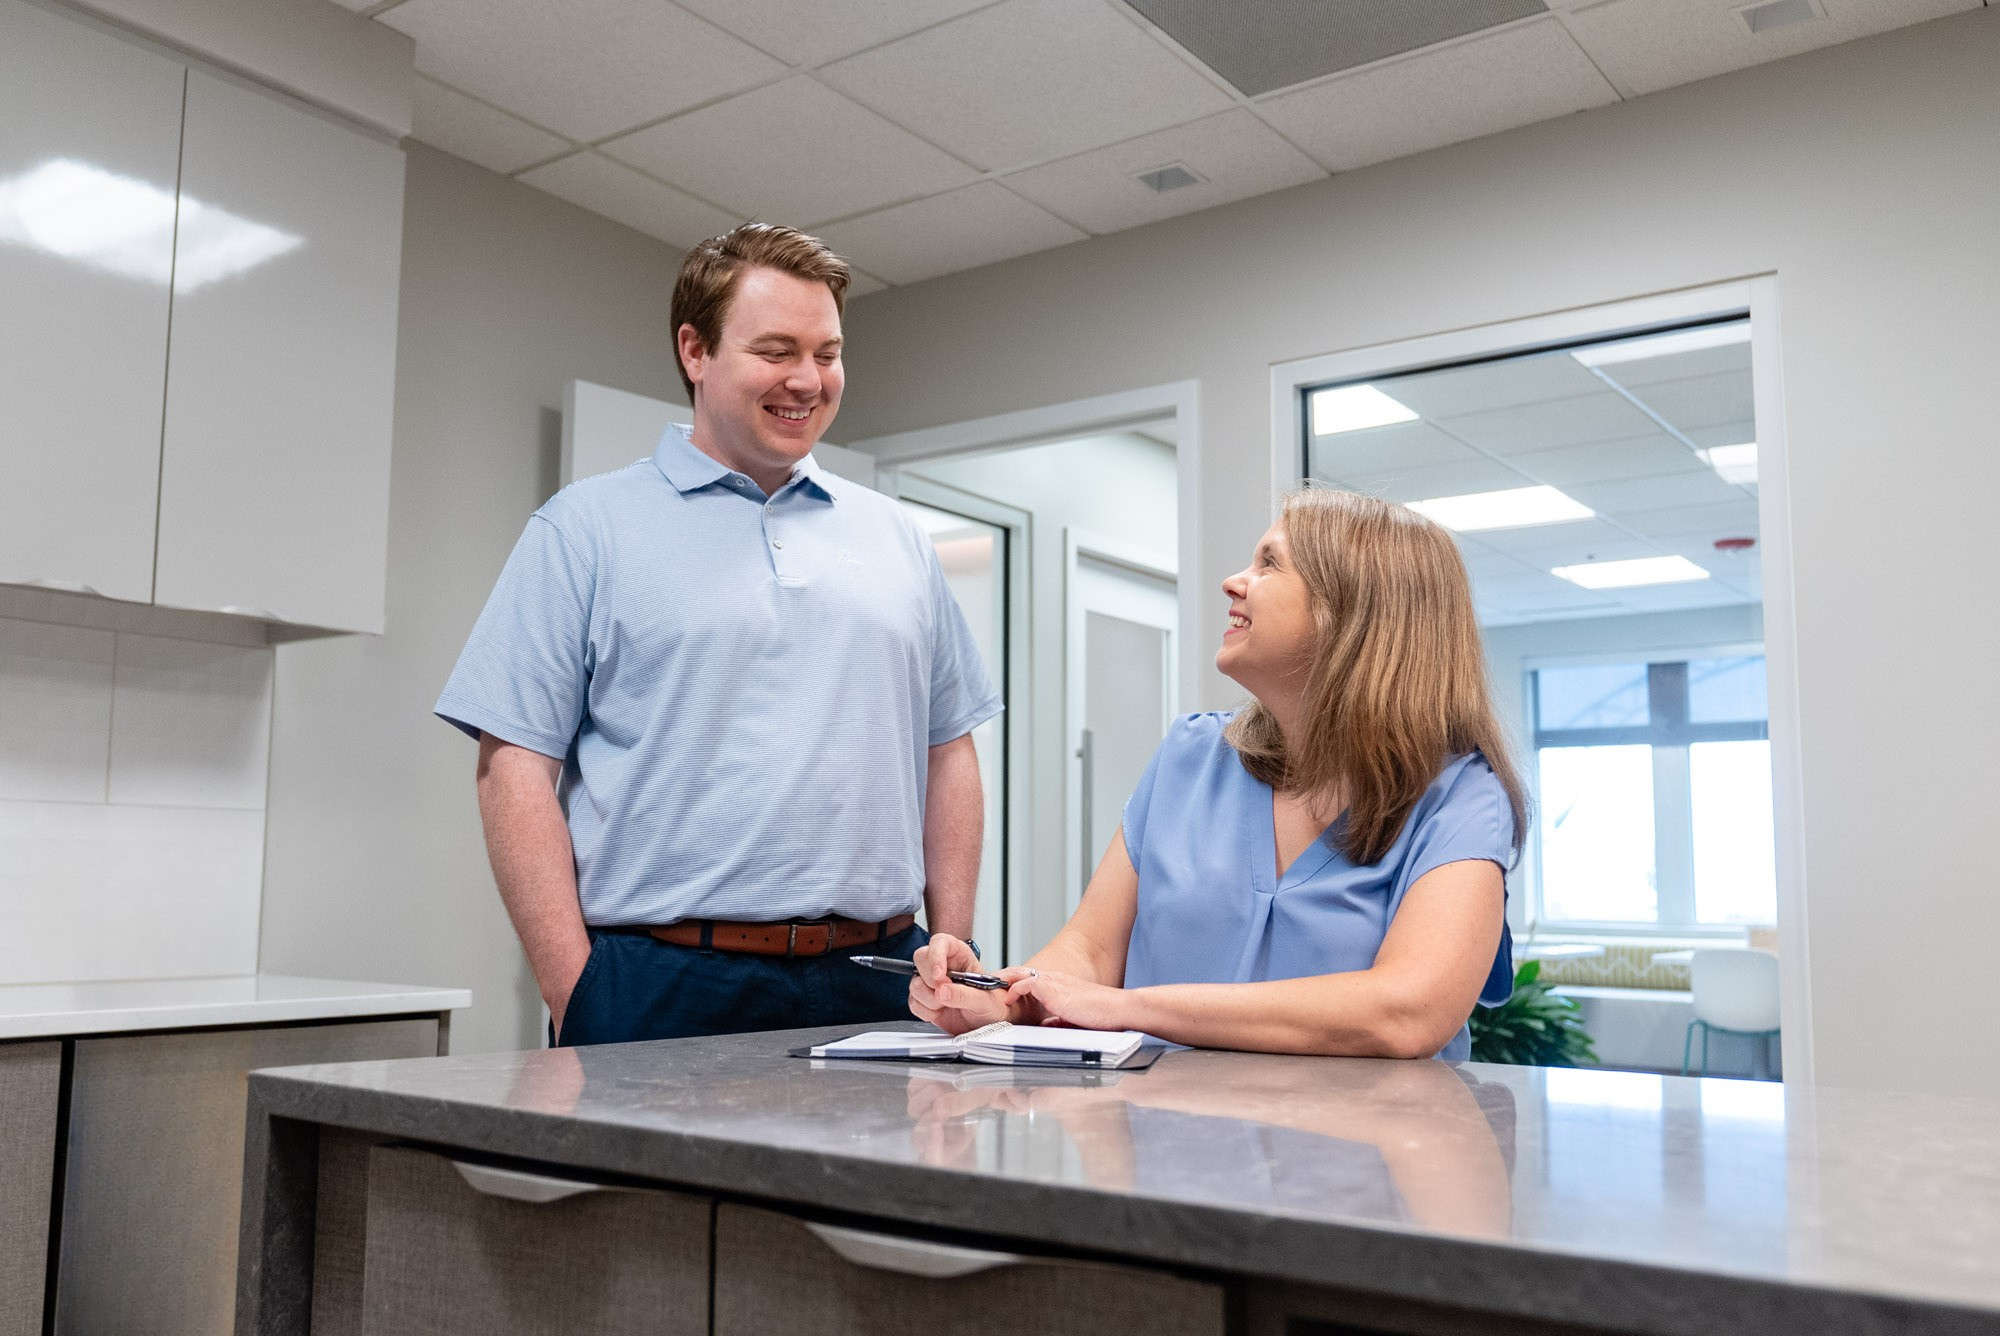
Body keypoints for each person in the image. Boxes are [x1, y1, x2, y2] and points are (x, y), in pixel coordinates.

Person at [437, 223, 1000, 1046]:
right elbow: (513, 765)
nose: (807, 380)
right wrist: (577, 990)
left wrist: (954, 939)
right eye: (776, 351)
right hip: (661, 981)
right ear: (695, 350)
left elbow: (949, 746)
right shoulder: (584, 529)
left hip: (882, 977)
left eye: (827, 353)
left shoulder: (899, 539)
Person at [912, 487, 1525, 1061]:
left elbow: (1408, 1011)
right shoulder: (1190, 755)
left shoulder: (1462, 795)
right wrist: (1003, 999)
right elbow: (1091, 952)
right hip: (1164, 1131)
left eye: (1269, 564)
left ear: (1353, 612)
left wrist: (1128, 1009)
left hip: (1362, 1138)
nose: (1233, 582)